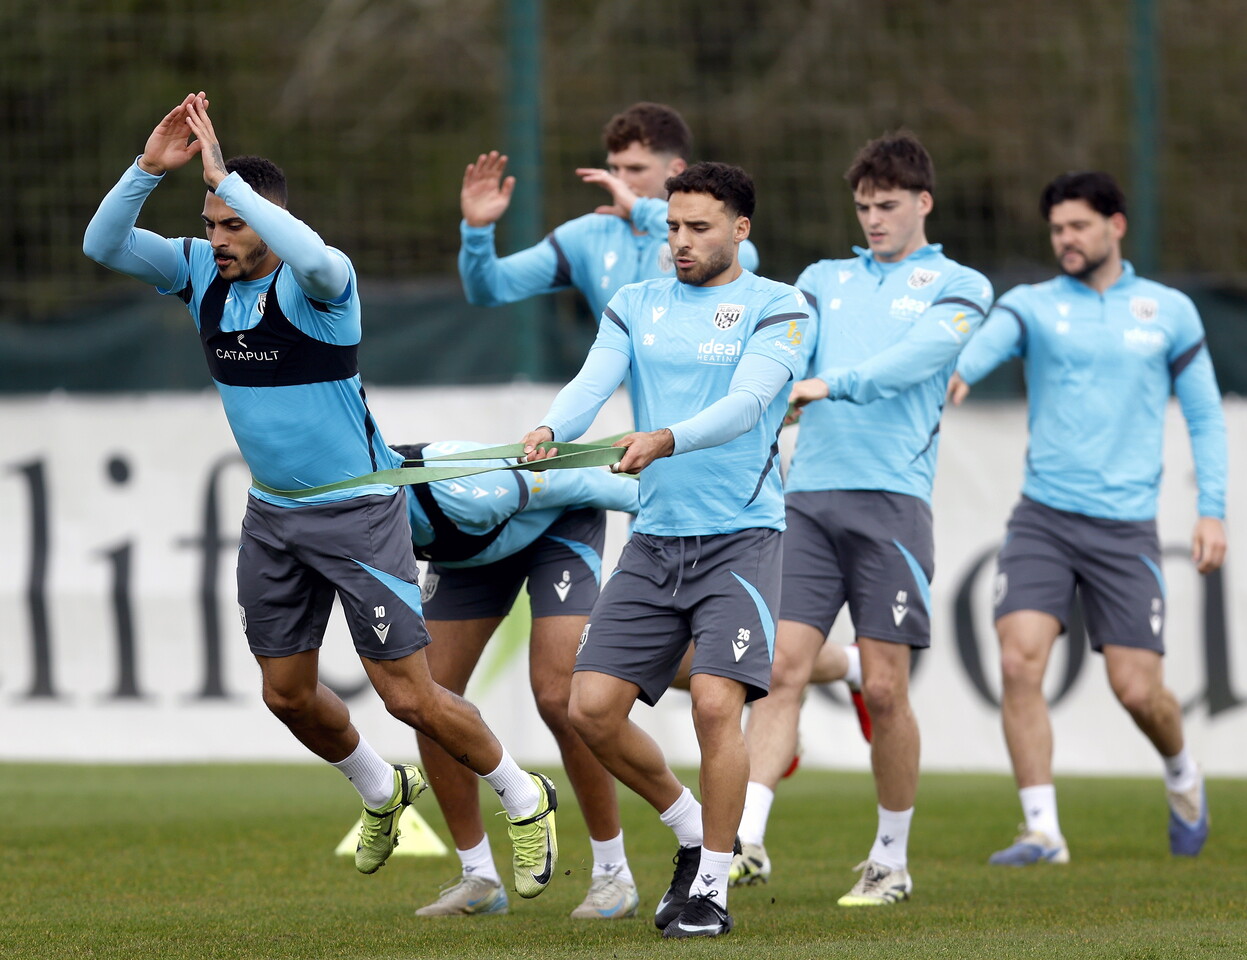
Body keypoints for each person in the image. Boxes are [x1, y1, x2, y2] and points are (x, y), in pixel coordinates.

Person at [82, 93, 557, 897]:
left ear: (268, 219)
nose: (218, 239)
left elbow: (317, 257)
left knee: (408, 694)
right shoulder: (199, 274)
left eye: (233, 224)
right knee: (286, 694)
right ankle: (382, 788)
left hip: (358, 512)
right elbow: (103, 244)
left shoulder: (321, 286)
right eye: (211, 224)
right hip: (273, 516)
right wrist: (144, 170)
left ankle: (523, 792)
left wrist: (235, 187)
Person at [521, 162, 813, 938]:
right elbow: (593, 381)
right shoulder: (635, 303)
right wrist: (554, 429)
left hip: (742, 540)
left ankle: (711, 887)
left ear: (740, 230)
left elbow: (752, 403)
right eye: (672, 227)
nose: (679, 242)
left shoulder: (780, 307)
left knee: (718, 704)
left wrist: (665, 439)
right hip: (655, 543)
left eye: (698, 228)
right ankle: (689, 829)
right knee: (589, 709)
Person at [731, 132, 993, 905]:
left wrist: (823, 387)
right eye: (863, 207)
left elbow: (913, 361)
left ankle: (890, 859)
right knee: (776, 671)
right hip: (805, 500)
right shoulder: (822, 278)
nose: (874, 219)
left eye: (887, 206)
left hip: (892, 504)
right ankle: (745, 839)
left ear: (923, 203)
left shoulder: (961, 284)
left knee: (885, 689)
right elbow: (782, 339)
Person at [948, 171, 1226, 865]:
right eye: (1056, 230)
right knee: (1017, 661)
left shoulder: (1169, 311)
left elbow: (1205, 416)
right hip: (1042, 519)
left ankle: (1183, 773)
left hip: (1125, 528)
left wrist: (1211, 511)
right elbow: (985, 343)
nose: (1065, 240)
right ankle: (1043, 830)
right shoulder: (1035, 305)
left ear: (1115, 226)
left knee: (1138, 691)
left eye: (1077, 226)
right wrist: (959, 371)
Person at [392, 441, 643, 919]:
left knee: (558, 697)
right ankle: (480, 879)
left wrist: (664, 506)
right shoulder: (339, 509)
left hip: (559, 524)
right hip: (471, 557)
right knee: (425, 702)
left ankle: (615, 875)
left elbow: (580, 478)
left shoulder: (464, 493)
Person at [458, 101, 759, 323]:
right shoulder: (587, 235)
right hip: (648, 408)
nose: (620, 180)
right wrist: (476, 231)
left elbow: (745, 257)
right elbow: (489, 289)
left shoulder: (706, 226)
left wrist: (641, 210)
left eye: (636, 168)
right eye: (614, 168)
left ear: (675, 169)